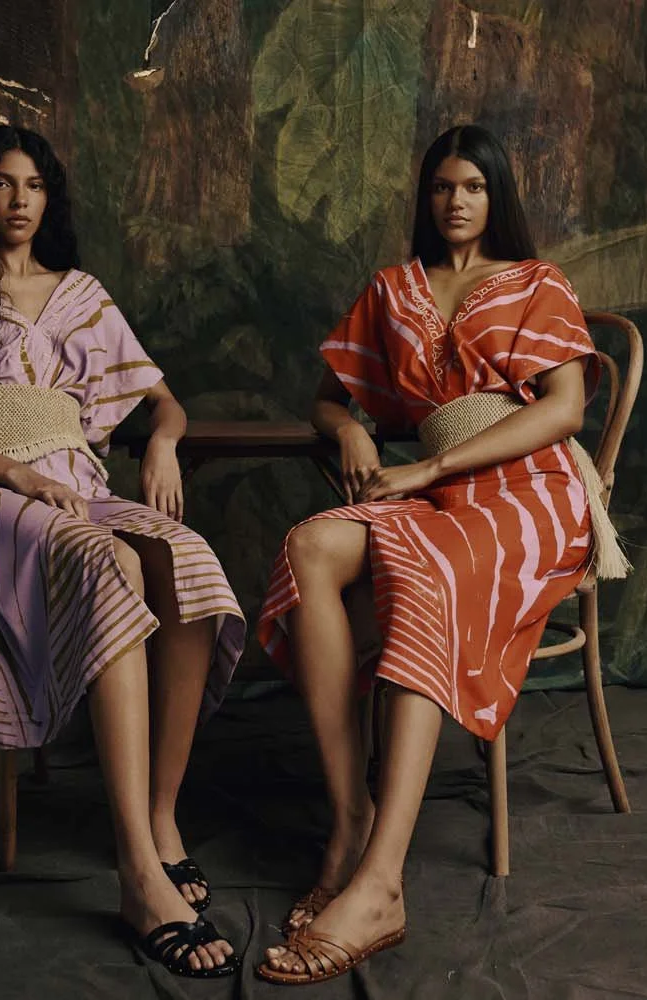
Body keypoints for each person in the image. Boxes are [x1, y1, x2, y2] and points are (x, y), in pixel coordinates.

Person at [0, 126, 243, 978]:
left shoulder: (81, 295)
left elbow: (165, 403)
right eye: (3, 183)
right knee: (109, 560)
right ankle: (139, 875)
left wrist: (163, 443)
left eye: (34, 185)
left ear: (50, 198)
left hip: (77, 485)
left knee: (187, 561)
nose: (20, 200)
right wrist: (12, 474)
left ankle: (162, 818)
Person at [255, 124, 613, 984]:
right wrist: (348, 430)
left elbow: (565, 410)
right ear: (426, 197)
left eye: (474, 187)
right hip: (436, 498)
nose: (457, 202)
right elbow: (326, 399)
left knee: (421, 576)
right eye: (444, 187)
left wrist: (430, 467)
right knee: (310, 546)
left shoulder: (536, 281)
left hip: (529, 490)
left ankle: (381, 884)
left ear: (497, 197)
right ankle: (350, 818)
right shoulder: (393, 290)